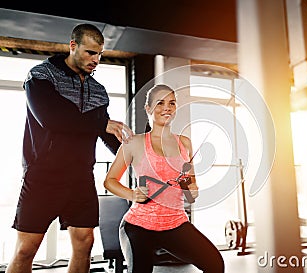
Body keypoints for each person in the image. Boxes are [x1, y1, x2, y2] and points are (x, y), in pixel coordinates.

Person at [6, 23, 133, 273]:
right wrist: (101, 123)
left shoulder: (98, 91)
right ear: (73, 46)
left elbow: (104, 133)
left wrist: (137, 154)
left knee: (85, 243)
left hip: (80, 177)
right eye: (89, 52)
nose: (96, 60)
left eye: (99, 54)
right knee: (25, 249)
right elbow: (52, 119)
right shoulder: (41, 76)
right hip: (43, 175)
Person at [104, 84, 225, 273]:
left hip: (175, 224)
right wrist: (133, 194)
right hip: (138, 226)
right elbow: (109, 181)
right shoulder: (134, 143)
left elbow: (191, 192)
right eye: (160, 103)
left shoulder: (184, 143)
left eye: (172, 103)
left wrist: (191, 190)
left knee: (215, 265)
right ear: (148, 108)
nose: (167, 108)